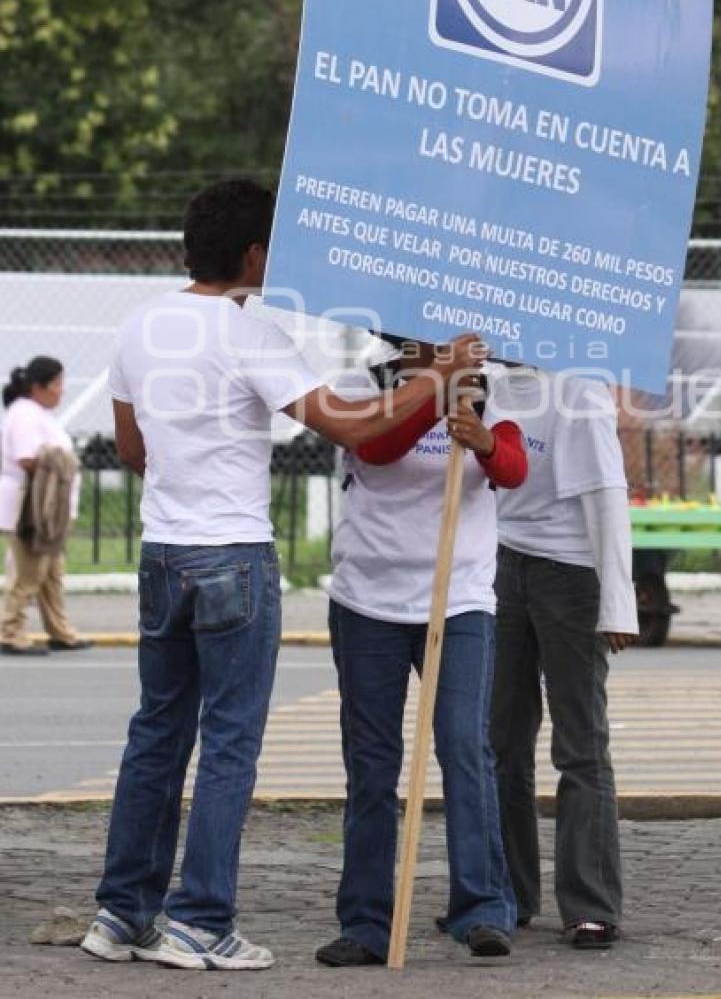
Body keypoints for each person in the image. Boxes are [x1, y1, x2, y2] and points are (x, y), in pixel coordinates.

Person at [80, 179, 484, 973]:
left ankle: (123, 910)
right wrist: (439, 373)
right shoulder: (248, 334)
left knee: (156, 733)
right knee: (229, 741)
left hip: (162, 550)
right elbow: (354, 421)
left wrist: (184, 478)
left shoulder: (138, 325)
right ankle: (200, 920)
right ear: (257, 253)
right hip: (234, 552)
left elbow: (132, 448)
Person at [315, 340, 527, 968]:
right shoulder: (362, 378)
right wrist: (432, 391)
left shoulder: (494, 387)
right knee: (373, 763)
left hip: (458, 598)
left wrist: (484, 441)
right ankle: (366, 921)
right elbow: (374, 449)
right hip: (367, 601)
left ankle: (484, 909)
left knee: (465, 749)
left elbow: (513, 468)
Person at [488, 366, 638, 950]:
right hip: (500, 564)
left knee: (580, 745)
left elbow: (608, 492)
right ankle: (505, 893)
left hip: (571, 575)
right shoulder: (488, 386)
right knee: (499, 742)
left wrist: (618, 600)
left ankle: (591, 904)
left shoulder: (579, 390)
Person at [0, 356, 89, 657]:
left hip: (48, 512)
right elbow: (27, 459)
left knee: (51, 575)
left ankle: (60, 632)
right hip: (32, 511)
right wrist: (62, 461)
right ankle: (10, 632)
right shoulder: (25, 414)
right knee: (28, 574)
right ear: (38, 387)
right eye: (57, 384)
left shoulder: (36, 413)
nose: (61, 391)